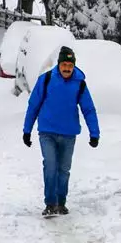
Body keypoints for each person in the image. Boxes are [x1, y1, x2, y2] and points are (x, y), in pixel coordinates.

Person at [22, 46, 100, 217]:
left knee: (64, 169)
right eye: (64, 64)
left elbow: (88, 109)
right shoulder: (46, 79)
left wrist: (94, 133)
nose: (66, 68)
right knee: (50, 165)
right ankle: (50, 203)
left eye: (70, 65)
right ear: (58, 64)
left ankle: (61, 202)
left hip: (68, 134)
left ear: (73, 66)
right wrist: (27, 130)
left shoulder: (79, 84)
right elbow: (33, 105)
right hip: (47, 132)